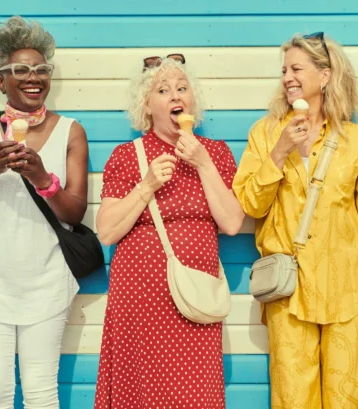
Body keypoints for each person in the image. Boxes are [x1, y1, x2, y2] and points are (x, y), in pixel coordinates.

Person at [232, 32, 358, 409]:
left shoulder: (354, 139)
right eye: (284, 70)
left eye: (296, 69)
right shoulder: (265, 133)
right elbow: (251, 204)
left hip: (347, 287)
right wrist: (280, 150)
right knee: (292, 398)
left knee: (347, 397)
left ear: (324, 75)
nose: (287, 77)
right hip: (288, 290)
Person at [93, 54, 245, 409]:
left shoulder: (216, 153)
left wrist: (203, 164)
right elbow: (107, 232)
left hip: (195, 299)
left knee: (195, 393)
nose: (175, 96)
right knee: (142, 394)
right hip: (140, 303)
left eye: (182, 88)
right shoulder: (127, 156)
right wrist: (146, 185)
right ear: (147, 106)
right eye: (162, 90)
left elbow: (232, 223)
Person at [0, 16, 89, 409]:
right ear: (1, 81)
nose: (34, 78)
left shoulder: (71, 131)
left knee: (41, 393)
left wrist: (43, 178)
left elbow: (75, 213)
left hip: (46, 281)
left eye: (42, 69)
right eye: (21, 70)